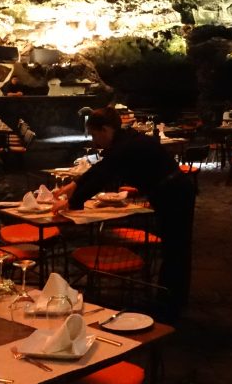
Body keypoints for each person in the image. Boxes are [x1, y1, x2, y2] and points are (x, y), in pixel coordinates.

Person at [52, 106, 196, 318]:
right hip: (174, 190)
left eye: (94, 134)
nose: (94, 140)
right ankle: (171, 299)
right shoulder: (126, 140)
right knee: (174, 247)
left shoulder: (124, 147)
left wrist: (72, 202)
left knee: (175, 248)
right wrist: (74, 185)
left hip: (174, 192)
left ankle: (171, 305)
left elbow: (103, 176)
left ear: (106, 129)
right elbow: (101, 168)